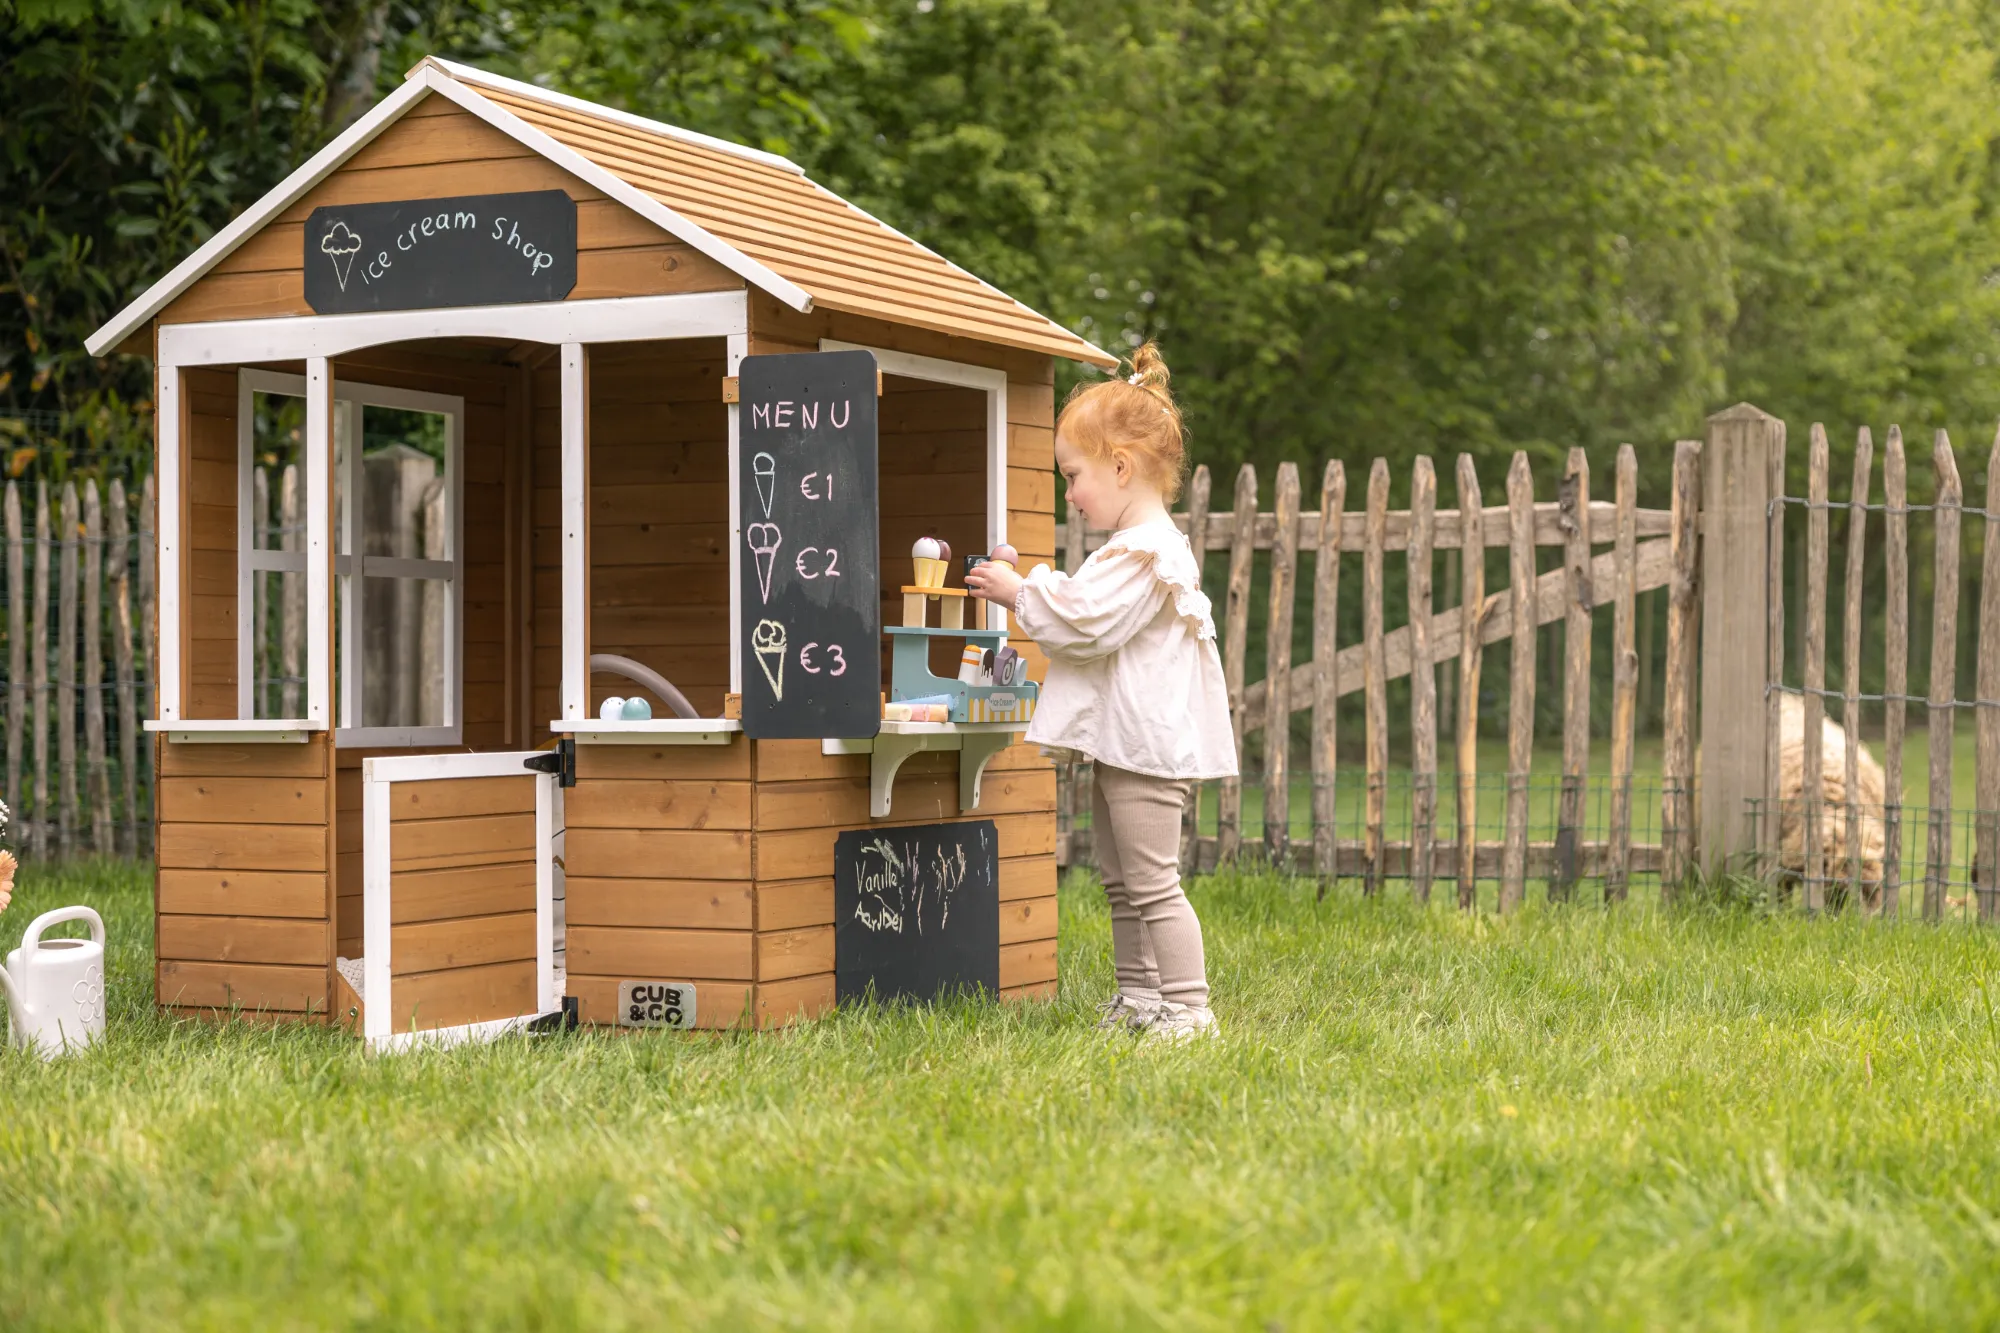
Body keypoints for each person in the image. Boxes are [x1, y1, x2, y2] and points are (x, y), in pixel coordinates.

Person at [965, 343, 1235, 1040]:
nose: (1069, 493)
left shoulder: (1147, 551)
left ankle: (1190, 1008)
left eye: (1073, 475)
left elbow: (1085, 623)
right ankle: (1140, 997)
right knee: (1121, 880)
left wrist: (1020, 589)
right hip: (1124, 744)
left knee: (1153, 883)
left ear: (1120, 467)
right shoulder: (1133, 548)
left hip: (1145, 749)